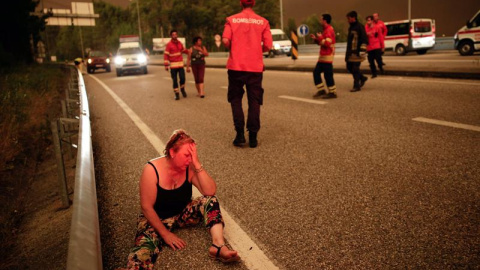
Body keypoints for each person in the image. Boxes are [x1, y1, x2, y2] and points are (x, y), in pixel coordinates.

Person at [118, 130, 240, 270]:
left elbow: (210, 191)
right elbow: (146, 207)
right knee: (142, 256)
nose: (189, 160)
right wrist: (165, 234)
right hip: (157, 219)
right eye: (187, 155)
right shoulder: (151, 170)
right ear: (172, 152)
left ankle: (218, 246)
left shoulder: (189, 167)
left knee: (210, 201)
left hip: (181, 214)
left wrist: (197, 163)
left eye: (192, 155)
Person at [222, 0, 272, 148]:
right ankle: (253, 137)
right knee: (254, 101)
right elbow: (268, 45)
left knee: (236, 99)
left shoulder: (231, 20)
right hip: (255, 67)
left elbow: (225, 40)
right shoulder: (263, 22)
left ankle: (239, 135)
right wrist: (257, 51)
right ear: (254, 4)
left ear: (240, 3)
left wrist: (236, 48)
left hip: (236, 66)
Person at [311, 13, 337, 99]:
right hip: (323, 57)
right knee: (316, 73)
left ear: (325, 20)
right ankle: (321, 90)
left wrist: (320, 37)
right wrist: (316, 39)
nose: (320, 21)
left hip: (327, 57)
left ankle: (332, 92)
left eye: (321, 19)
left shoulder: (329, 30)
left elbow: (327, 43)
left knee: (328, 75)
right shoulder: (325, 30)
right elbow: (321, 43)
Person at [345, 11, 368, 92]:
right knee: (349, 67)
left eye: (349, 18)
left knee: (355, 69)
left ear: (353, 18)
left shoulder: (359, 27)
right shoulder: (350, 27)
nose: (347, 20)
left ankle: (356, 86)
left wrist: (362, 50)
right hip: (350, 53)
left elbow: (364, 39)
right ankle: (362, 78)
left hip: (357, 52)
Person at [164, 30, 189, 100]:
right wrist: (166, 65)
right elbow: (166, 55)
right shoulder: (169, 45)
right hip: (173, 66)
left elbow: (184, 50)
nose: (175, 35)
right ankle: (177, 94)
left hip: (180, 65)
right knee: (175, 80)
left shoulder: (180, 43)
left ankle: (182, 89)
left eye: (175, 34)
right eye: (173, 34)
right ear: (171, 36)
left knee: (183, 78)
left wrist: (189, 52)